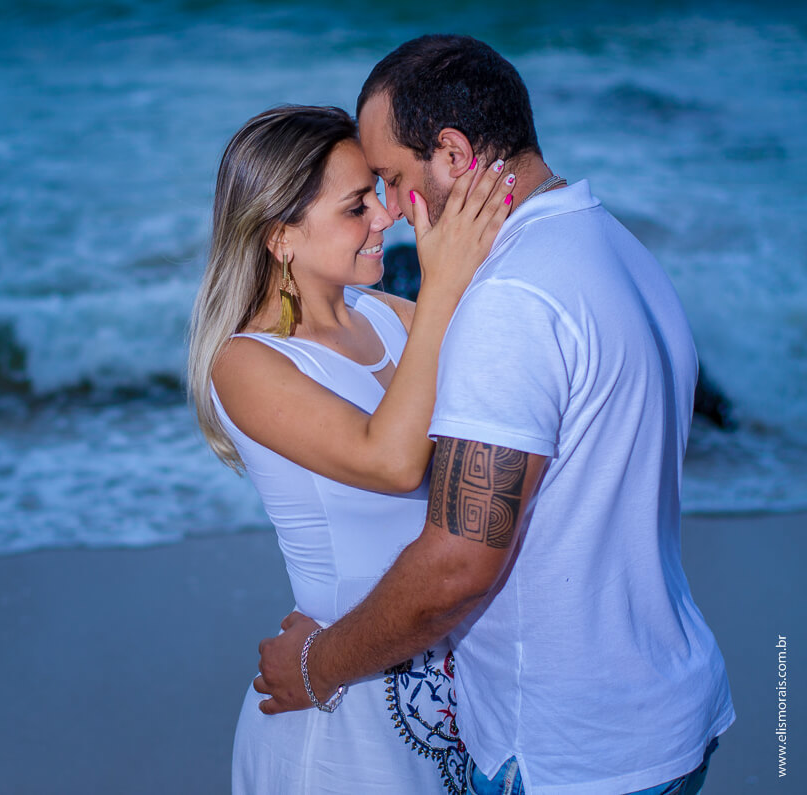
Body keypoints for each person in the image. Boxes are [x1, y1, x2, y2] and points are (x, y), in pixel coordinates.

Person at [253, 35, 735, 795]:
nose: (392, 212)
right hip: (666, 709)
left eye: (392, 179)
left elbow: (456, 567)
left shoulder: (510, 298)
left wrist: (316, 666)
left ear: (452, 154)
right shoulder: (613, 244)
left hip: (565, 751)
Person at [188, 104, 512, 793]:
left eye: (378, 193)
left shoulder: (389, 317)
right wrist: (442, 285)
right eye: (356, 206)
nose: (385, 217)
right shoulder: (246, 363)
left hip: (450, 697)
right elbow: (392, 461)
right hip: (335, 716)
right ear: (281, 237)